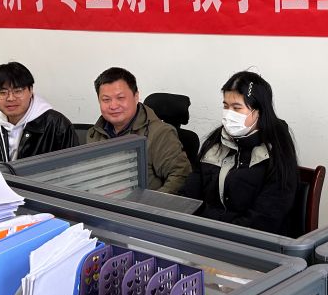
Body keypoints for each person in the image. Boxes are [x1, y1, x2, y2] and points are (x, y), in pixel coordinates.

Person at [180, 71, 298, 233]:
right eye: (225, 106)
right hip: (204, 234)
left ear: (258, 111)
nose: (229, 114)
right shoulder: (216, 141)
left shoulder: (277, 150)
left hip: (250, 241)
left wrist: (215, 228)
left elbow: (265, 218)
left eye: (236, 108)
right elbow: (189, 196)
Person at [87, 67, 192, 194]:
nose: (113, 106)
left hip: (141, 204)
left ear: (136, 97)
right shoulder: (94, 133)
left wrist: (151, 203)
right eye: (106, 100)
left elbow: (180, 176)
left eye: (120, 98)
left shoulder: (159, 134)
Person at [0, 62, 78, 161]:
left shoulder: (57, 125)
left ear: (30, 91)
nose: (10, 98)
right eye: (3, 93)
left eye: (18, 91)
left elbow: (74, 166)